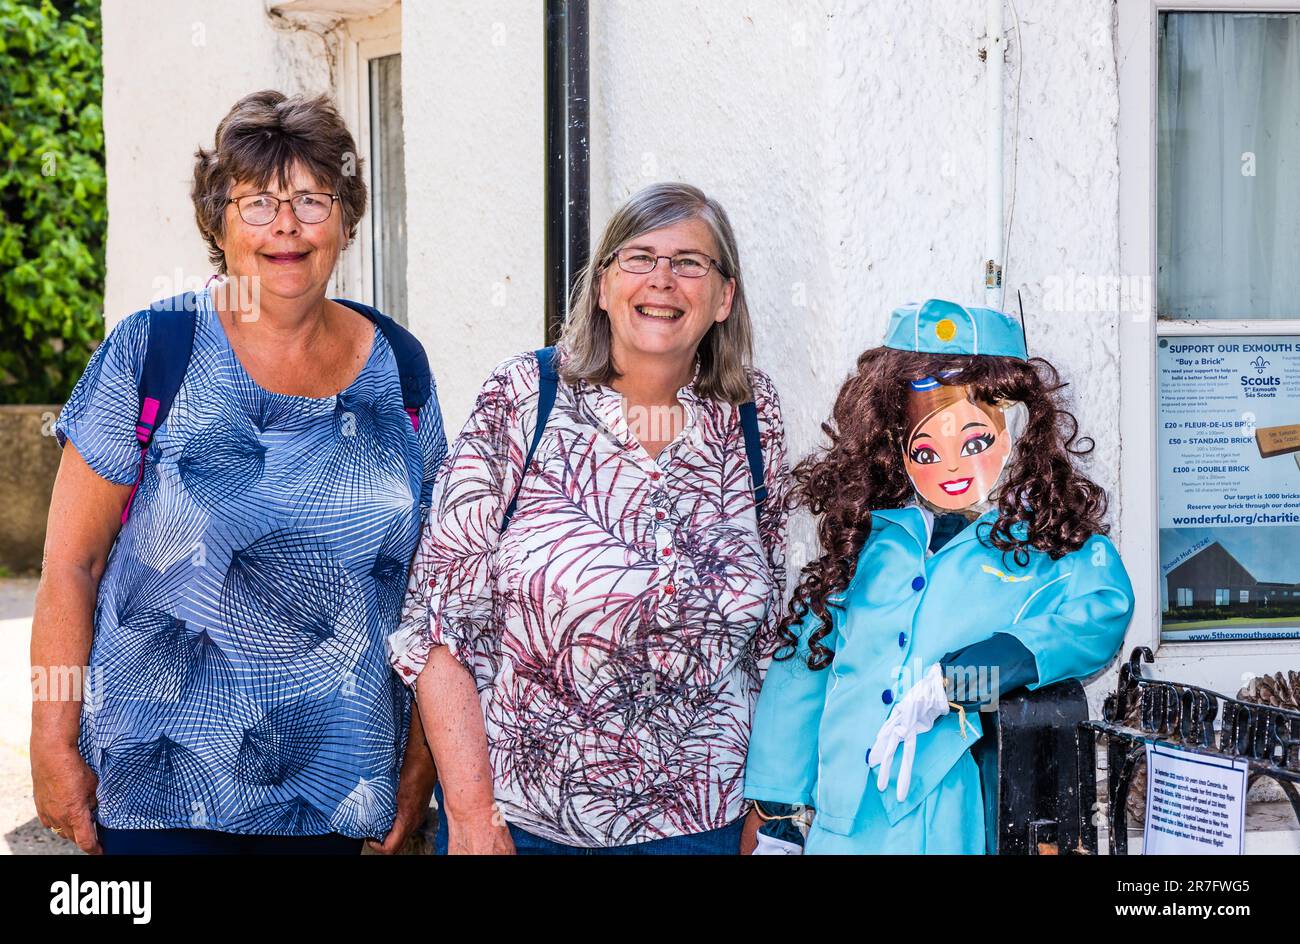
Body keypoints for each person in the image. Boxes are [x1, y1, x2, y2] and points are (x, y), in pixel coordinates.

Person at [30, 90, 444, 855]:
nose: (285, 225)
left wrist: (421, 765)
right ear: (218, 223)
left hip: (336, 791)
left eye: (312, 199)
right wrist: (52, 743)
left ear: (346, 221)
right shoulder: (153, 348)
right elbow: (70, 565)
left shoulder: (401, 367)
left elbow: (434, 590)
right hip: (159, 792)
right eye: (257, 202)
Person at [390, 182, 791, 854]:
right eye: (639, 257)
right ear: (603, 286)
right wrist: (470, 814)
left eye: (691, 262)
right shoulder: (524, 396)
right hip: (526, 824)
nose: (663, 279)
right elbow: (438, 624)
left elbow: (774, 627)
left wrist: (767, 805)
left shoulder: (754, 414)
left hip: (704, 824)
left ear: (724, 298)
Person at [743, 298, 1134, 854]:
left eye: (974, 442)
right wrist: (776, 810)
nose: (951, 465)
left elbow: (1099, 614)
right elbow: (805, 670)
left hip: (951, 814)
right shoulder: (868, 537)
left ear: (1020, 429)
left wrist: (966, 679)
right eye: (926, 447)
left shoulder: (1051, 543)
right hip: (840, 819)